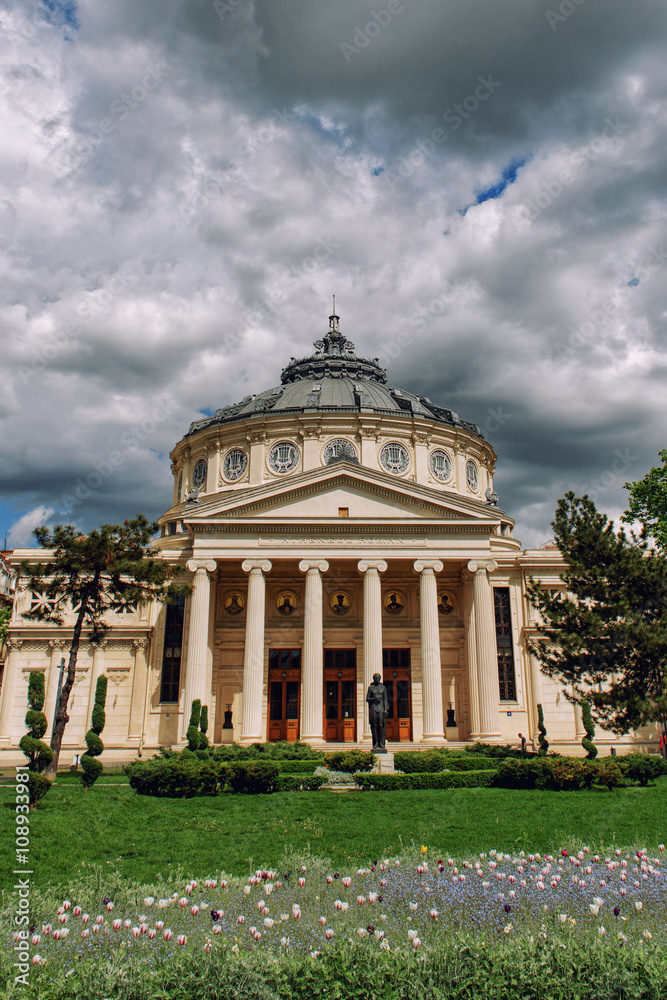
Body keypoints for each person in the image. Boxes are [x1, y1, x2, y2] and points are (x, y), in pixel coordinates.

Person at [366, 673, 388, 752]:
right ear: (373, 679)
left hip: (381, 708)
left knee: (381, 725)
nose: (377, 679)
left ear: (380, 678)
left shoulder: (383, 688)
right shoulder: (371, 688)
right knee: (374, 726)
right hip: (373, 708)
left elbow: (385, 699)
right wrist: (374, 698)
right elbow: (367, 699)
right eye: (375, 678)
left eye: (378, 677)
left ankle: (382, 744)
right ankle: (375, 744)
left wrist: (386, 709)